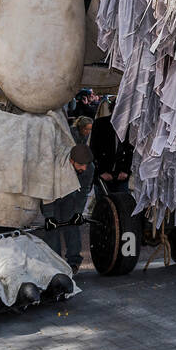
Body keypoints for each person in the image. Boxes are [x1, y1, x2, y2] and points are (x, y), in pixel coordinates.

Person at [43, 144, 93, 273]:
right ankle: (55, 263)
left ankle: (74, 262)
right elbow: (46, 191)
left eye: (86, 164)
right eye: (81, 165)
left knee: (72, 225)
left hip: (70, 196)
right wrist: (49, 216)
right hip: (51, 195)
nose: (84, 167)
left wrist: (78, 213)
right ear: (71, 161)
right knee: (53, 230)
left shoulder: (88, 168)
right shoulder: (55, 168)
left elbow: (84, 191)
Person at [89, 98, 132, 195]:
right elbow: (93, 149)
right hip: (103, 175)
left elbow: (130, 150)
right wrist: (101, 171)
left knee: (123, 205)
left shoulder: (129, 126)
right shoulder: (100, 124)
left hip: (121, 176)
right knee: (104, 206)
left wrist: (126, 171)